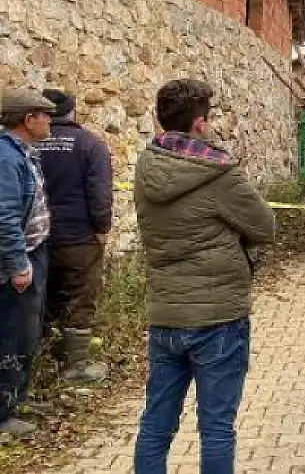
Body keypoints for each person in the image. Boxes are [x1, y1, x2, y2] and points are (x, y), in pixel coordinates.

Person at [132, 79, 276, 474]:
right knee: (216, 428)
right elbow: (265, 227)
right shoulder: (219, 172)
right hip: (218, 318)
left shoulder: (146, 164)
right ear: (199, 124)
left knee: (155, 425)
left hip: (165, 315)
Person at [35, 89, 113, 383]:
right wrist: (102, 227)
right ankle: (75, 366)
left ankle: (40, 365)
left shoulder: (29, 143)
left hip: (38, 238)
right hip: (79, 237)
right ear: (73, 111)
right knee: (80, 298)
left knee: (45, 300)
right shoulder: (90, 144)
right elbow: (100, 194)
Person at [0, 89, 56, 436]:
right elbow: (4, 216)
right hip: (17, 261)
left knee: (27, 331)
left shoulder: (22, 153)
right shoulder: (6, 158)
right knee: (10, 333)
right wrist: (18, 263)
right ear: (28, 119)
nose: (50, 120)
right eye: (45, 114)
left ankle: (17, 398)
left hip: (34, 252)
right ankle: (3, 414)